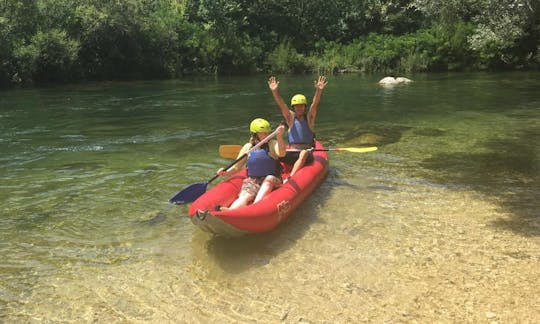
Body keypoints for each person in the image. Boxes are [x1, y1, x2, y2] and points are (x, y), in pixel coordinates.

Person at [216, 118, 286, 210]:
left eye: (267, 133)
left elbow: (282, 153)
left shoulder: (273, 144)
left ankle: (254, 208)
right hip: (254, 180)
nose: (267, 135)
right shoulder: (248, 147)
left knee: (269, 179)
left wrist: (279, 137)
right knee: (245, 195)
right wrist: (225, 172)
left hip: (273, 179)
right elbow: (236, 167)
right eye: (263, 133)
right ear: (255, 134)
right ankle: (230, 211)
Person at [268, 75, 328, 180]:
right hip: (292, 152)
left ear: (305, 107)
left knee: (304, 153)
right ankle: (271, 174)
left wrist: (318, 91)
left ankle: (291, 177)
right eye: (297, 106)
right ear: (293, 108)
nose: (299, 108)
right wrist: (275, 92)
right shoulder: (290, 118)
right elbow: (282, 105)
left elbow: (315, 104)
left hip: (306, 152)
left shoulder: (309, 118)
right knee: (272, 153)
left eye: (301, 105)